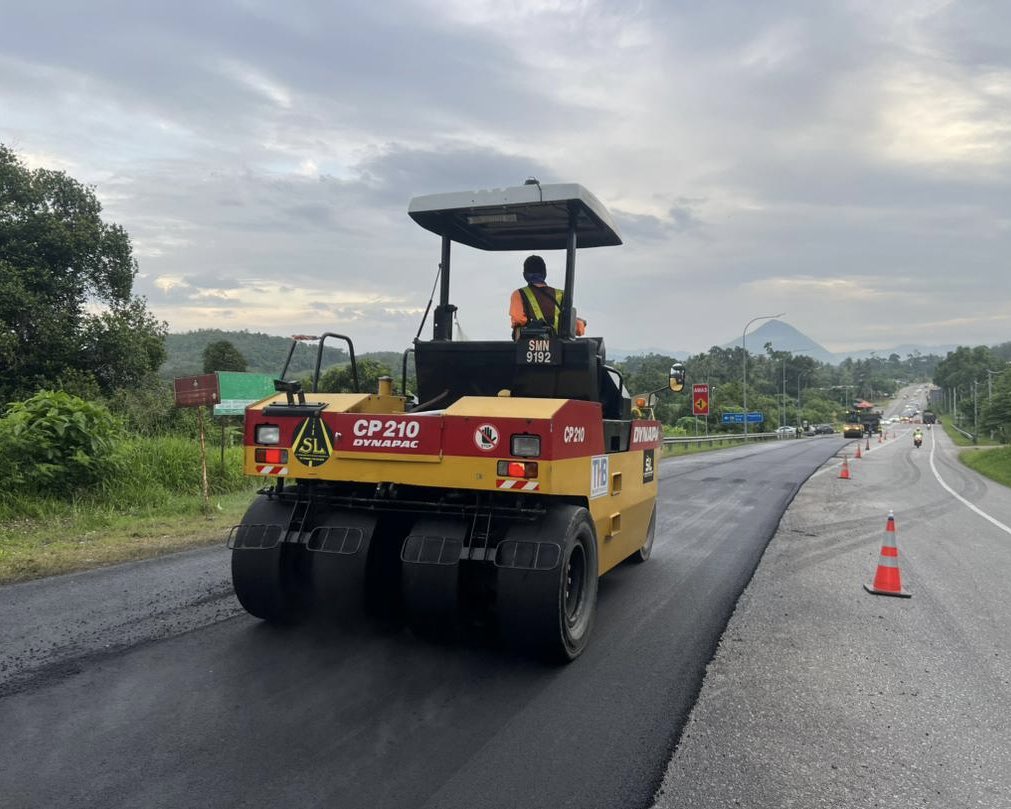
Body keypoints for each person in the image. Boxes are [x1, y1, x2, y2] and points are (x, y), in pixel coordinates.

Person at [509, 255, 586, 338]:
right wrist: (582, 323)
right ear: (545, 273)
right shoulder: (562, 294)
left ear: (524, 275)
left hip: (529, 347)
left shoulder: (518, 294)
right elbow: (573, 327)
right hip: (558, 347)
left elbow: (518, 320)